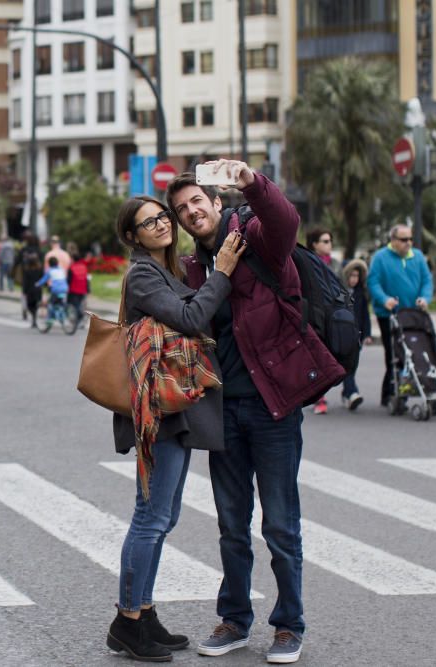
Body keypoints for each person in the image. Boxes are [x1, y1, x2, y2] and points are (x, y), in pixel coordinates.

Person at [167, 161, 344, 665]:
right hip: (222, 412)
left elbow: (286, 221)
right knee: (230, 524)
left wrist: (251, 182)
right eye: (182, 210)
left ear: (216, 203)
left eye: (197, 202)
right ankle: (235, 621)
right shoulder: (195, 268)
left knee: (281, 526)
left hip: (273, 408)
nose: (191, 213)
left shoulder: (256, 239)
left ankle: (289, 625)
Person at [106, 195, 245, 662]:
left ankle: (143, 614)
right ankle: (128, 620)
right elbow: (190, 317)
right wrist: (223, 271)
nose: (162, 224)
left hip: (173, 405)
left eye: (162, 216)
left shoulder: (173, 271)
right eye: (149, 223)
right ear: (133, 236)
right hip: (158, 410)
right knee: (151, 517)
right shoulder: (143, 273)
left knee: (161, 517)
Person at [367, 224, 434, 408]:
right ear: (393, 241)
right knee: (394, 354)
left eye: (410, 239)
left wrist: (425, 298)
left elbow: (427, 280)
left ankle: (408, 389)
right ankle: (389, 394)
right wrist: (384, 299)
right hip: (389, 314)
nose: (409, 243)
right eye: (404, 240)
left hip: (413, 314)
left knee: (415, 353)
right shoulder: (380, 257)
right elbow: (373, 282)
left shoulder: (418, 257)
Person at [306, 228, 334, 415]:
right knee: (317, 356)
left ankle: (350, 391)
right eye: (325, 241)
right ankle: (319, 398)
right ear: (314, 244)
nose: (329, 244)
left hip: (333, 315)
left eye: (330, 240)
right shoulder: (306, 262)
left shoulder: (335, 264)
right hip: (314, 316)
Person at [340, 259, 373, 410]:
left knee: (352, 366)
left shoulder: (361, 294)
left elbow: (365, 316)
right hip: (343, 336)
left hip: (357, 336)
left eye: (357, 276)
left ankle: (347, 392)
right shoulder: (340, 292)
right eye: (351, 275)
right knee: (348, 365)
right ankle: (352, 393)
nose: (354, 279)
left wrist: (367, 334)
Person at [35, 256, 69, 321]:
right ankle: (62, 315)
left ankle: (50, 319)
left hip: (56, 290)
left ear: (49, 264)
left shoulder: (50, 271)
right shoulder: (61, 269)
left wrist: (37, 284)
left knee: (50, 303)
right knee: (60, 303)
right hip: (65, 289)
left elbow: (44, 280)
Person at [67, 251, 90, 328]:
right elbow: (86, 279)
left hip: (74, 289)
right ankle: (79, 319)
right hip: (82, 289)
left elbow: (69, 280)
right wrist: (88, 289)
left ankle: (80, 316)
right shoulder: (83, 267)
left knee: (75, 305)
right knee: (79, 304)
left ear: (73, 259)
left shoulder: (72, 268)